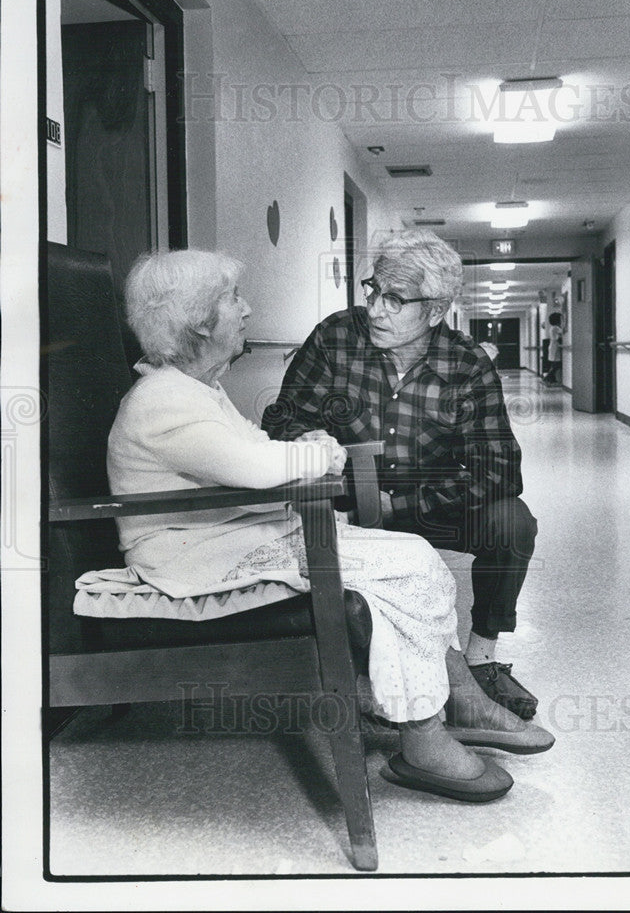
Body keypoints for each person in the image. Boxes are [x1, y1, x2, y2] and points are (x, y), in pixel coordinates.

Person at [73, 249, 553, 807]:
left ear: (436, 310)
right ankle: (426, 730)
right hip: (203, 554)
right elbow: (259, 461)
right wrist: (322, 454)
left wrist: (329, 464)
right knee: (410, 569)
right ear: (202, 323)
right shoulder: (165, 400)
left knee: (424, 556)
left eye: (395, 299)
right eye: (234, 300)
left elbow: (257, 449)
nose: (249, 310)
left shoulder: (196, 390)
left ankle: (439, 705)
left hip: (260, 529)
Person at [264, 230, 542, 721]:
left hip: (428, 507)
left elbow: (499, 467)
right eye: (373, 291)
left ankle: (480, 663)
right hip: (344, 508)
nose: (375, 309)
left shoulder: (466, 363)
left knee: (512, 522)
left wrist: (405, 507)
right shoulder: (334, 338)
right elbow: (283, 420)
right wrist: (310, 439)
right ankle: (364, 669)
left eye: (395, 299)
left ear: (435, 311)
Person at [544, 312, 563, 386]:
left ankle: (552, 379)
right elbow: (563, 332)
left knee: (554, 364)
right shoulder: (556, 328)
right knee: (556, 364)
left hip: (553, 346)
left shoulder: (552, 328)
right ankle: (547, 378)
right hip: (555, 347)